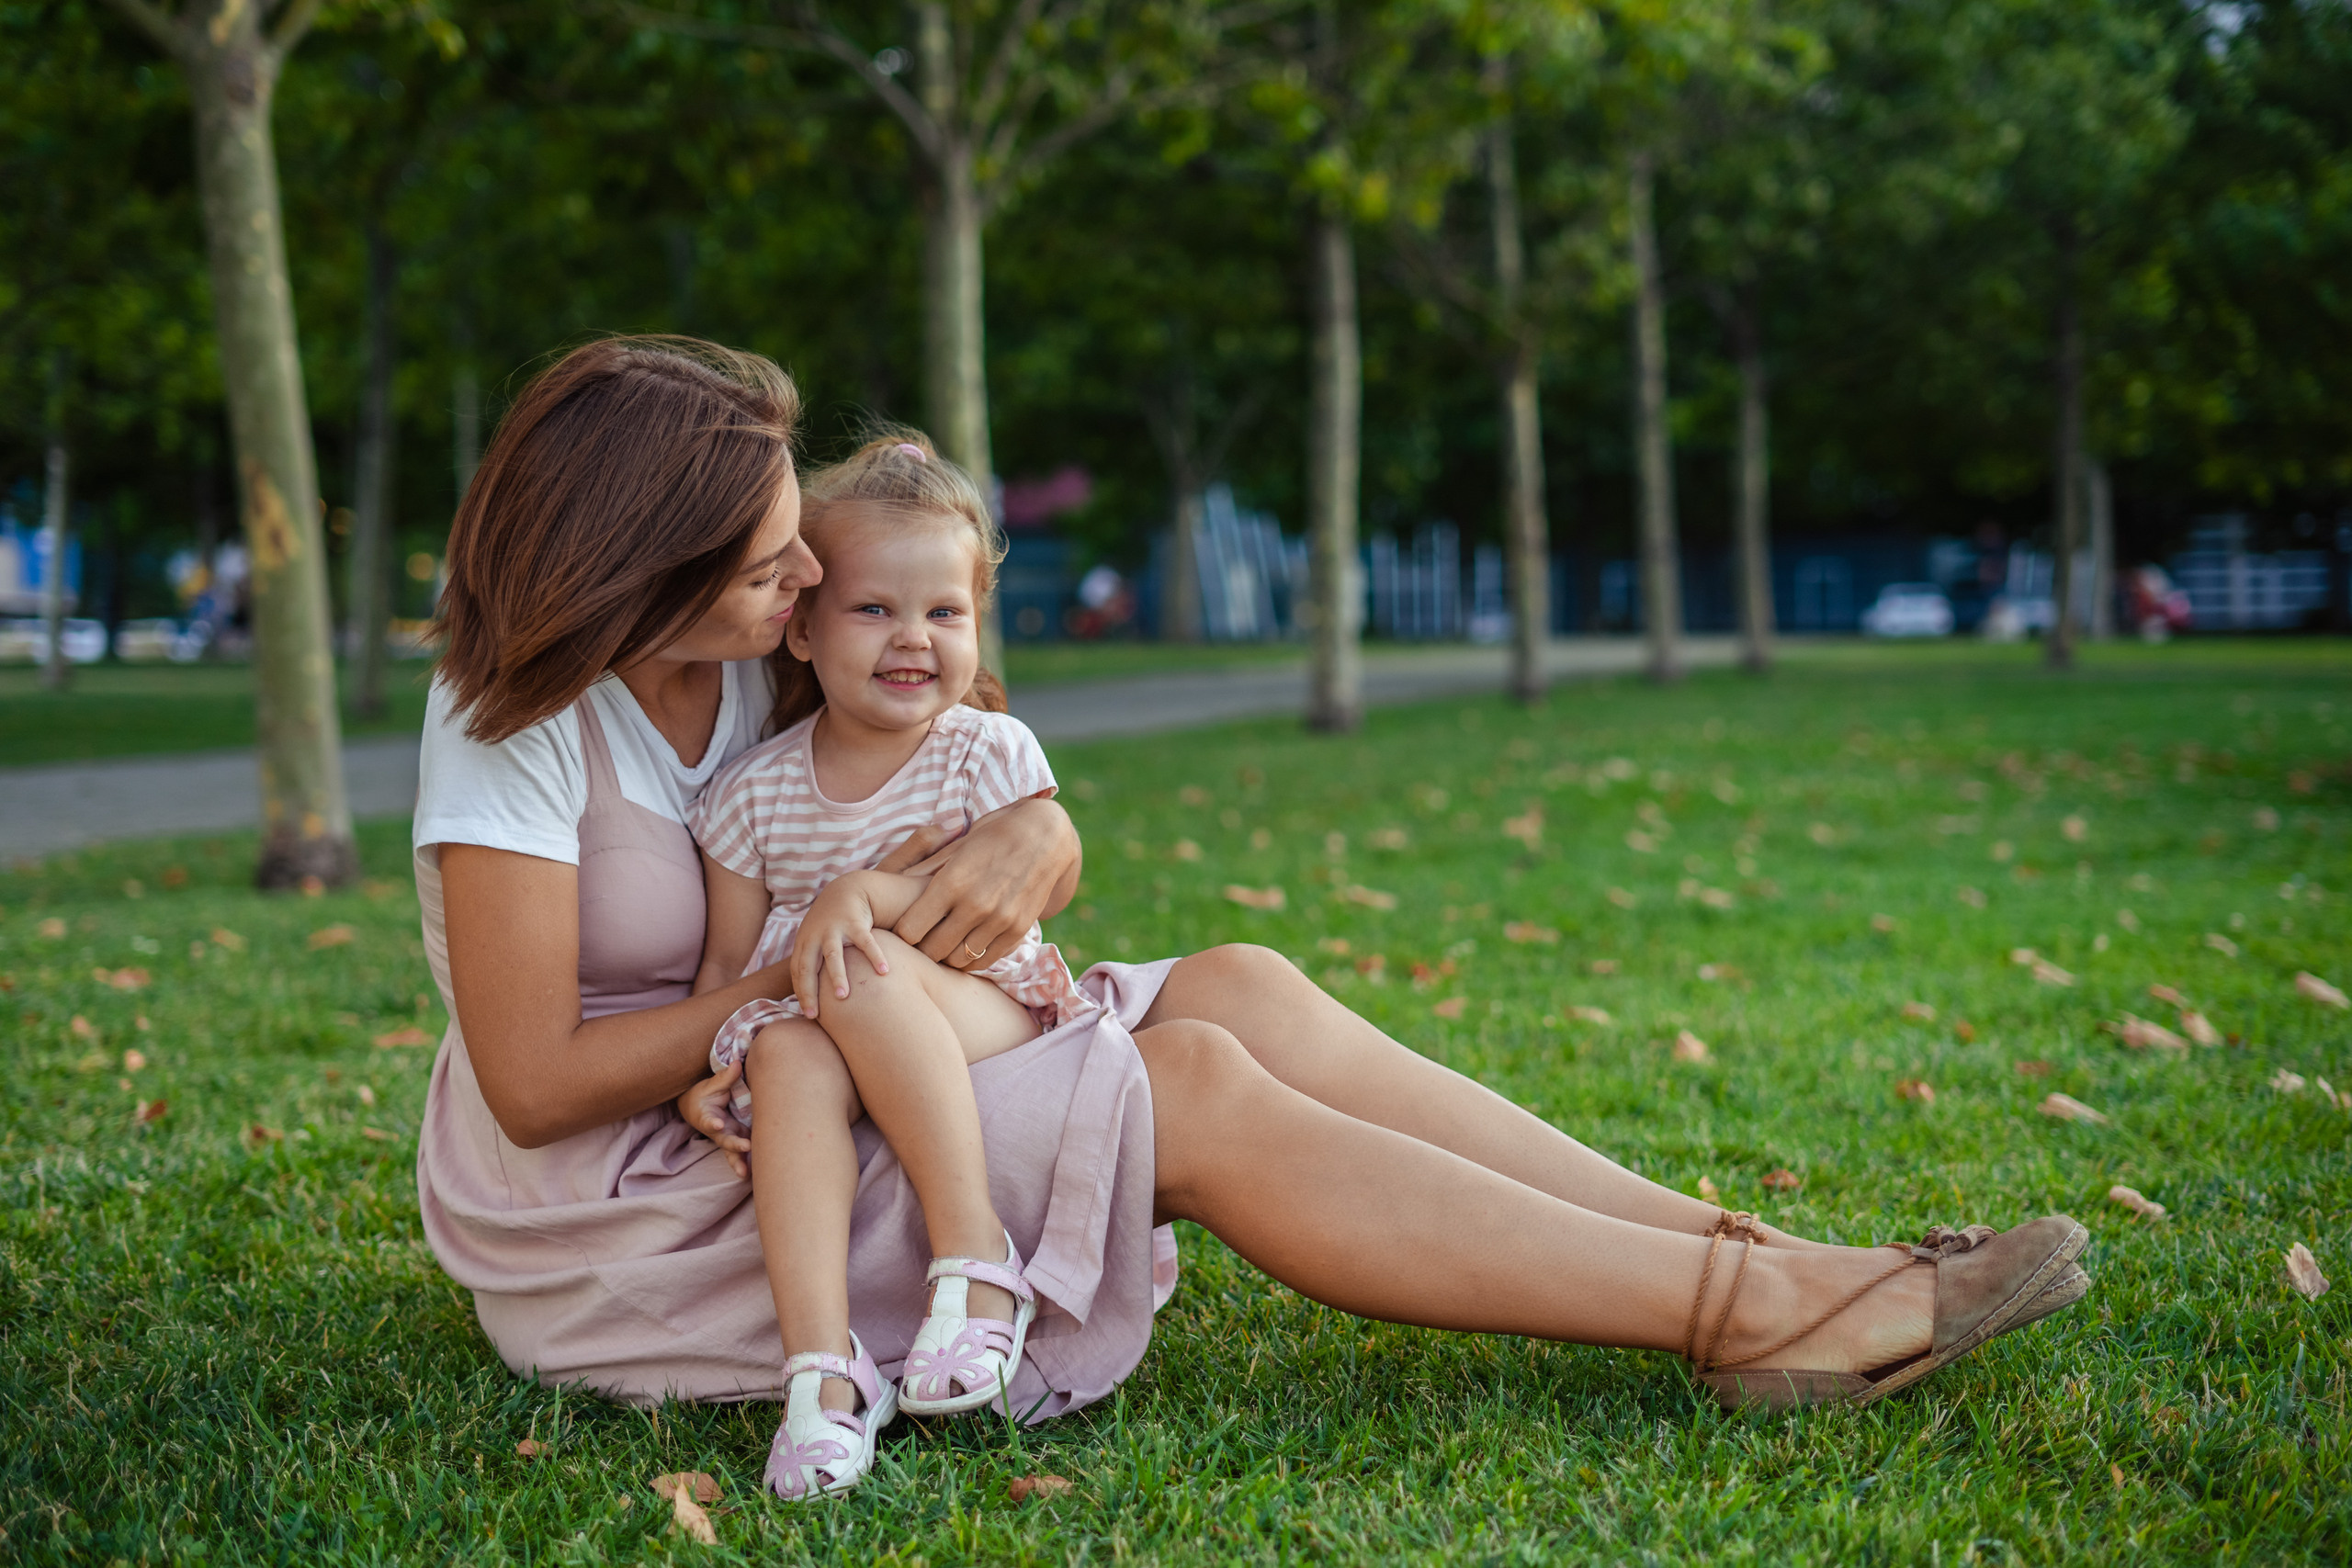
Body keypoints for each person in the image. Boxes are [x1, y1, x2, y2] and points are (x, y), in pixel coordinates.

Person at [413, 336, 2088, 1478]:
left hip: (855, 1045)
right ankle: (1763, 1320)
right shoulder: (511, 721)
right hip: (659, 1189)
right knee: (1188, 1085)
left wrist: (1036, 828)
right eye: (776, 565)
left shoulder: (762, 661)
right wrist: (808, 964)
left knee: (1241, 984)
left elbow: (929, 762)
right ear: (652, 556)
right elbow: (536, 1082)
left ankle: (1761, 1250)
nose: (805, 595)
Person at [677, 430, 1094, 1497]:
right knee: (784, 1051)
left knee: (851, 964)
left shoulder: (986, 751)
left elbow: (1021, 905)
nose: (913, 638)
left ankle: (976, 1261)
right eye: (874, 610)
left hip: (985, 1011)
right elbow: (726, 970)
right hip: (827, 1025)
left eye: (943, 612)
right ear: (802, 629)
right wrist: (702, 1070)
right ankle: (824, 1372)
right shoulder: (751, 796)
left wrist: (856, 903)